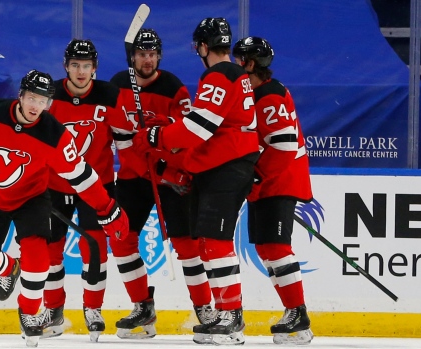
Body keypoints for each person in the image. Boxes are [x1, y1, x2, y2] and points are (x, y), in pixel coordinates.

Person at [0, 69, 129, 348]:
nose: (36, 106)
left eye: (43, 101)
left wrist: (107, 207)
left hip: (32, 199)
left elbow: (83, 177)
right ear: (21, 96)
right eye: (32, 98)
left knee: (39, 257)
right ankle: (11, 268)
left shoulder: (54, 134)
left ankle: (29, 312)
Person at [133, 17, 259, 346]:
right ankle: (224, 313)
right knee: (207, 244)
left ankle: (231, 316)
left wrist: (158, 136)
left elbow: (199, 128)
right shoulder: (236, 75)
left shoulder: (219, 74)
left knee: (216, 243)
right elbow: (207, 125)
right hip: (227, 164)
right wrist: (168, 137)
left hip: (228, 166)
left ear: (204, 47)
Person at [109, 28, 214, 338]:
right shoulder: (116, 87)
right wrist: (154, 169)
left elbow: (187, 138)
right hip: (134, 176)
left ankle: (205, 311)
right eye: (142, 54)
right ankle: (143, 309)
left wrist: (171, 170)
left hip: (171, 177)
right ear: (133, 57)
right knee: (121, 239)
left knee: (187, 246)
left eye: (152, 54)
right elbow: (123, 145)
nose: (147, 59)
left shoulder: (174, 88)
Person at [38, 39, 136, 342]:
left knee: (94, 247)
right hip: (55, 184)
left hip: (97, 186)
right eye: (75, 65)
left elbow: (128, 140)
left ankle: (93, 309)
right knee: (50, 250)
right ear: (66, 66)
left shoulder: (109, 95)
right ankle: (53, 311)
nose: (81, 72)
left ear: (95, 68)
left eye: (86, 66)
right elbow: (33, 139)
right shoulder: (48, 96)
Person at [232, 36, 314, 345]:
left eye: (240, 60)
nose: (236, 65)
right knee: (266, 249)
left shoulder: (269, 96)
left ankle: (298, 314)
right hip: (268, 181)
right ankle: (295, 316)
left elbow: (284, 145)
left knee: (277, 248)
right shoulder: (260, 93)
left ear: (250, 64)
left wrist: (256, 177)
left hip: (279, 180)